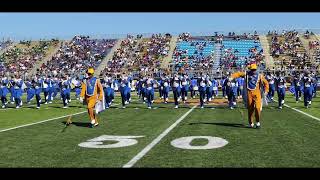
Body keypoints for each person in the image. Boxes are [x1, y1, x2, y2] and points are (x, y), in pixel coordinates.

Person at [230, 63, 269, 128]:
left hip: (257, 94)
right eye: (252, 69)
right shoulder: (246, 74)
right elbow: (238, 74)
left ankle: (258, 122)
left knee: (258, 108)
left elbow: (266, 83)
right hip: (249, 94)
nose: (253, 71)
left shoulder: (260, 76)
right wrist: (232, 77)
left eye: (254, 69)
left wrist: (266, 91)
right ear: (250, 69)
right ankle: (251, 122)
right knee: (250, 109)